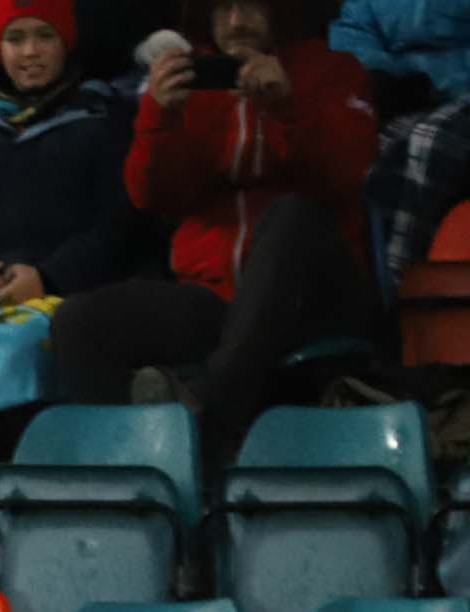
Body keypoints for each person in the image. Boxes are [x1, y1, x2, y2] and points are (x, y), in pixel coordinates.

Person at [46, 0, 378, 462]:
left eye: (252, 6)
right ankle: (124, 473)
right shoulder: (195, 77)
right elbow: (153, 199)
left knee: (290, 216)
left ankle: (208, 415)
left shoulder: (332, 71)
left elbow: (349, 171)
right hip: (218, 296)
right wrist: (159, 118)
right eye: (223, 9)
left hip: (316, 295)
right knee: (79, 322)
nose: (237, 22)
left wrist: (287, 109)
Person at [0, 0, 148, 303]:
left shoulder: (103, 123)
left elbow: (118, 227)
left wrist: (48, 278)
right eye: (15, 39)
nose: (30, 51)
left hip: (75, 300)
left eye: (45, 36)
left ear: (65, 43)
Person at [332, 0, 470, 302]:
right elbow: (353, 31)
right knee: (369, 153)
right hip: (404, 97)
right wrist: (387, 76)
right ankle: (368, 292)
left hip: (460, 94)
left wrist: (434, 82)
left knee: (427, 142)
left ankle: (399, 293)